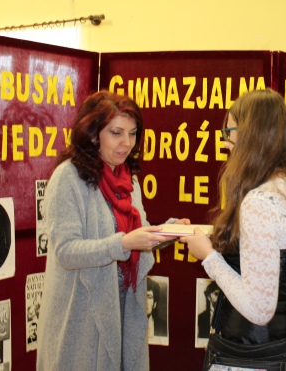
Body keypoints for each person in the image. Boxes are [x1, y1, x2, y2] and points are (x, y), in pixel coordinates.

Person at [37, 90, 187, 371]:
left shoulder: (129, 179)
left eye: (132, 133)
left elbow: (138, 235)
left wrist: (167, 232)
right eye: (116, 133)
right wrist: (124, 243)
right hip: (81, 317)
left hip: (123, 307)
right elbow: (66, 251)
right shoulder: (67, 178)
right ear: (92, 134)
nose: (126, 143)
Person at [182, 89, 286, 370]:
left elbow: (258, 310)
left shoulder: (259, 202)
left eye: (229, 132)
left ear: (251, 134)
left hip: (255, 355)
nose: (226, 142)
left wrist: (209, 256)